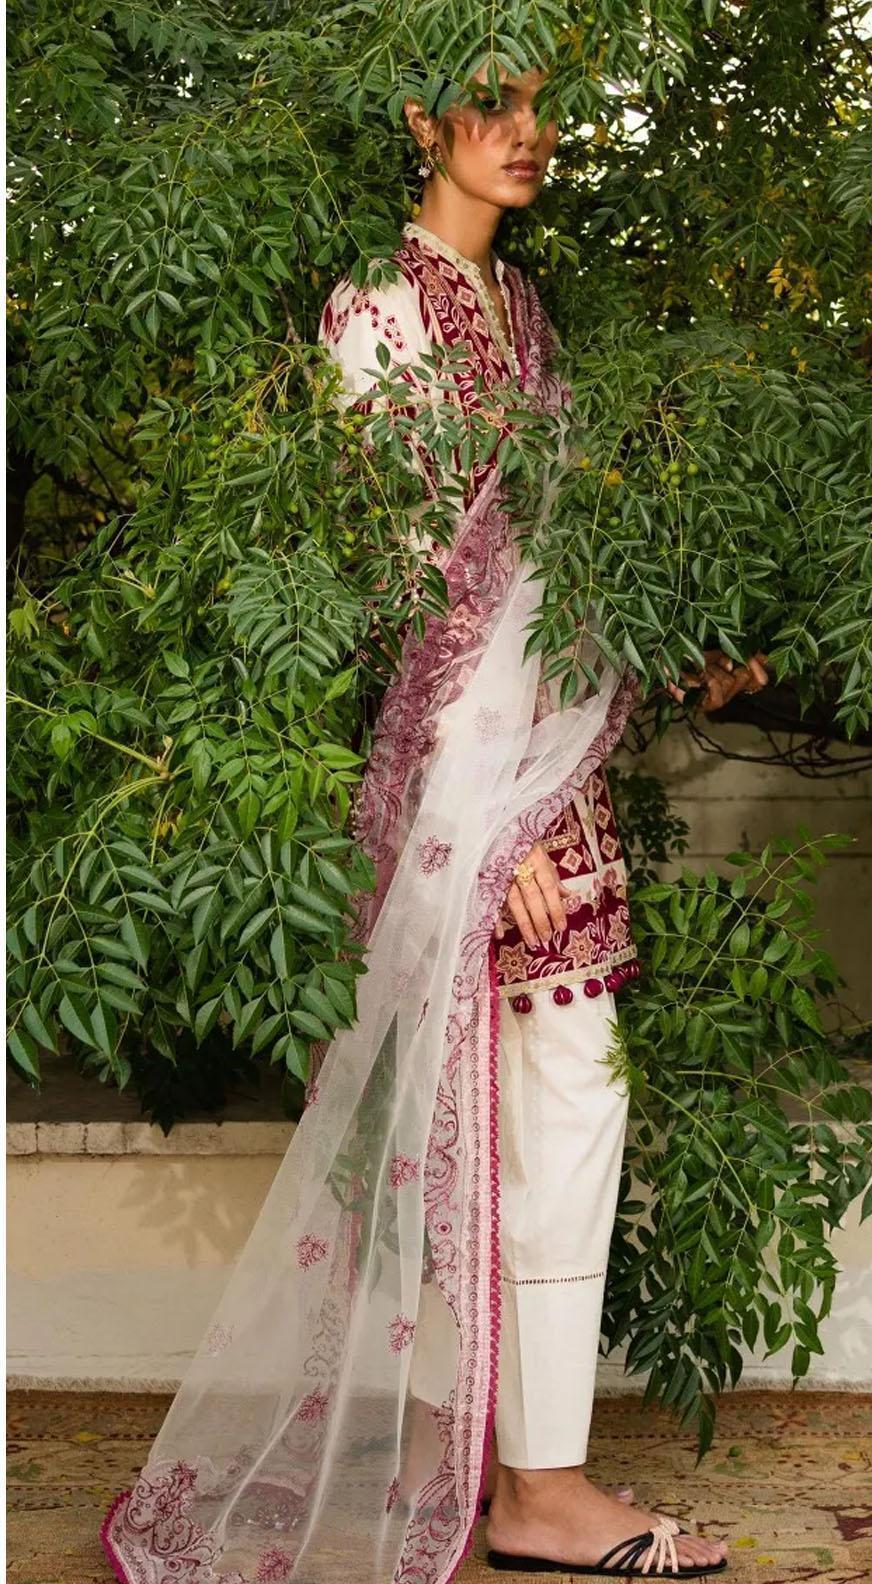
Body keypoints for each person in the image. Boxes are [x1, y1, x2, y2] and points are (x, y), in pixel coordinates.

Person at [101, 58, 767, 1584]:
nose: (528, 135)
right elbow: (406, 589)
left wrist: (674, 652)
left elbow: (561, 558)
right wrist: (486, 817)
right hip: (472, 782)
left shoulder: (523, 310)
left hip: (547, 766)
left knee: (533, 1106)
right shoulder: (376, 313)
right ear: (419, 123)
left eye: (544, 107)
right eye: (491, 104)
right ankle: (536, 1488)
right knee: (546, 1102)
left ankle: (465, 1450)